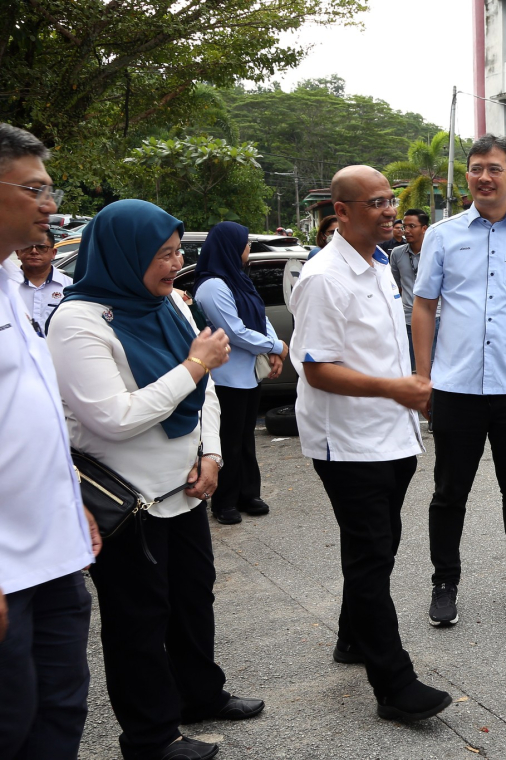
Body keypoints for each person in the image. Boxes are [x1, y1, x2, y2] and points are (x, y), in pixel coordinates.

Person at [46, 199, 264, 760]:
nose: (174, 265)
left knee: (193, 599)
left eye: (176, 252)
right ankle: (150, 736)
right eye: (162, 254)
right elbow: (113, 418)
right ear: (125, 255)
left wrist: (212, 455)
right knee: (137, 621)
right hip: (125, 502)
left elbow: (208, 389)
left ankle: (200, 693)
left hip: (184, 488)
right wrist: (193, 365)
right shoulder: (77, 322)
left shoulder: (169, 304)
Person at [290, 165, 452, 722]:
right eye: (376, 203)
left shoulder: (378, 264)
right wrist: (398, 388)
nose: (389, 211)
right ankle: (394, 686)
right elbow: (317, 369)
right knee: (369, 556)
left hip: (391, 437)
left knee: (375, 551)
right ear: (342, 212)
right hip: (350, 442)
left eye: (390, 201)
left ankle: (352, 639)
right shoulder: (324, 278)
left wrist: (409, 391)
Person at [411, 134, 506, 627]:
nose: (483, 176)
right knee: (449, 492)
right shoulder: (443, 235)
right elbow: (425, 306)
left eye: (494, 168)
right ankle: (444, 582)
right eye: (476, 168)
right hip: (455, 389)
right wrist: (423, 374)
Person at [0, 122, 99, 760]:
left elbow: (27, 418)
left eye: (50, 188)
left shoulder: (13, 280)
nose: (50, 204)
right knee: (9, 722)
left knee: (60, 712)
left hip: (55, 554)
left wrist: (72, 500)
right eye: (34, 189)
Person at [192, 222, 289, 526]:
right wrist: (275, 346)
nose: (248, 249)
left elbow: (260, 318)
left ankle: (249, 494)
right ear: (230, 248)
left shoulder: (239, 280)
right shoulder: (212, 286)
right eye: (245, 244)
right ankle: (224, 501)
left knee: (246, 439)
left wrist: (273, 348)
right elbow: (233, 332)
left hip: (247, 375)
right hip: (225, 378)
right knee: (227, 441)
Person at [389, 210, 438, 374]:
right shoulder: (397, 253)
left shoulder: (436, 252)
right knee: (411, 367)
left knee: (435, 366)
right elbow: (397, 285)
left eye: (412, 226)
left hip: (436, 318)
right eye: (404, 226)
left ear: (424, 228)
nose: (406, 231)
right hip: (407, 320)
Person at [10, 230, 71, 335]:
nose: (34, 251)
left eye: (41, 247)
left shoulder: (70, 288)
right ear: (17, 252)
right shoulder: (6, 287)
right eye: (27, 246)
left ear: (53, 253)